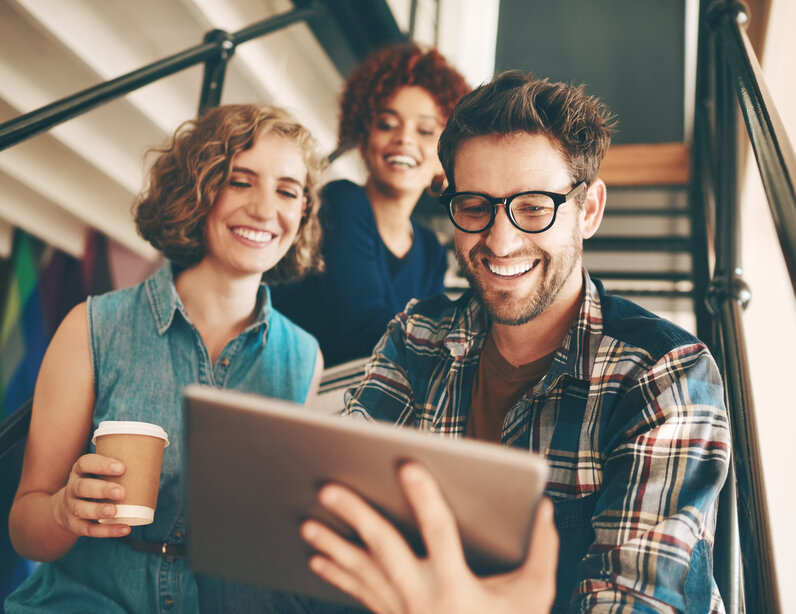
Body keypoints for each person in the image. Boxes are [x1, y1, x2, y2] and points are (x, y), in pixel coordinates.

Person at [298, 71, 731, 613]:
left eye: (533, 206)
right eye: (474, 205)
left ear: (588, 211)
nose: (501, 242)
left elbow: (636, 602)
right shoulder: (416, 338)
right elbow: (339, 522)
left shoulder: (664, 374)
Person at [5, 104, 327, 612]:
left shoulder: (304, 359)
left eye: (288, 191)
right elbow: (26, 528)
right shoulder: (94, 327)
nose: (266, 209)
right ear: (199, 191)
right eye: (240, 181)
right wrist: (65, 511)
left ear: (303, 211)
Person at [272, 43, 470, 367]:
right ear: (363, 140)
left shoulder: (431, 251)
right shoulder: (341, 203)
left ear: (445, 157)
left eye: (425, 130)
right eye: (387, 124)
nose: (404, 138)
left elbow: (430, 342)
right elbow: (368, 339)